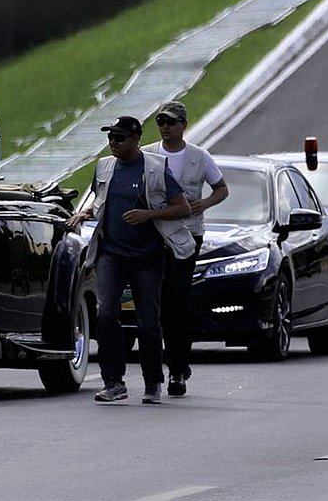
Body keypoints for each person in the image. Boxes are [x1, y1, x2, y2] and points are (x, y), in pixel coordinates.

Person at [66, 116, 193, 405]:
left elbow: (182, 208)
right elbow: (100, 200)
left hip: (147, 256)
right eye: (110, 137)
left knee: (148, 322)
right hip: (111, 253)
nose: (113, 143)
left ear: (136, 139)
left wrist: (149, 215)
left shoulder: (155, 168)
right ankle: (113, 382)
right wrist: (85, 213)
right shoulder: (105, 167)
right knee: (106, 313)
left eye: (120, 138)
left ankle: (153, 383)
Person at [142, 101, 228, 397]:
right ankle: (156, 367)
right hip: (154, 235)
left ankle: (178, 368)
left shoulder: (199, 157)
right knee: (154, 302)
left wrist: (204, 203)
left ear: (183, 125)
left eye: (171, 122)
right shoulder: (147, 155)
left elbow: (221, 188)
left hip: (187, 236)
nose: (165, 127)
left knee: (176, 301)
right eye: (161, 122)